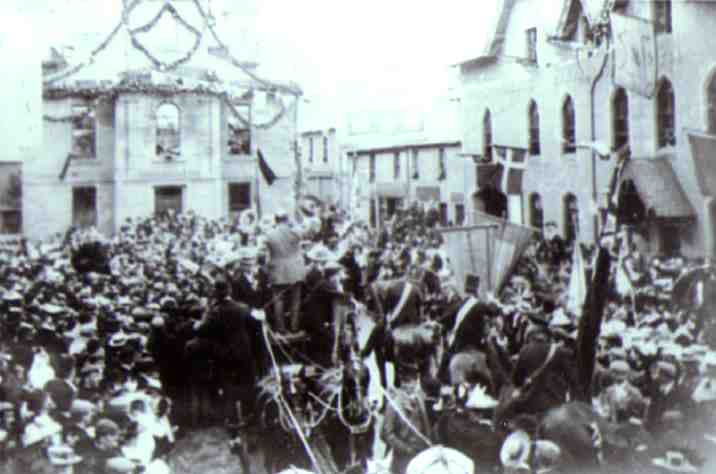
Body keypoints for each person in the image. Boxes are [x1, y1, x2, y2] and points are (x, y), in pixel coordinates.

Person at [191, 276, 262, 423]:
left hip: (223, 354)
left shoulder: (214, 312)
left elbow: (201, 330)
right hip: (243, 351)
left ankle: (232, 418)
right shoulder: (242, 308)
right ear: (229, 291)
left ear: (215, 293)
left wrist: (202, 318)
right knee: (247, 383)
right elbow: (255, 324)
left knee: (227, 386)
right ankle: (251, 414)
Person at [262, 210, 307, 334]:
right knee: (295, 300)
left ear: (276, 220)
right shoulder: (295, 232)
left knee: (278, 300)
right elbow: (307, 229)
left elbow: (263, 250)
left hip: (277, 270)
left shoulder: (269, 234)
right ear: (287, 219)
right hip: (295, 270)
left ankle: (280, 328)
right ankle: (294, 327)